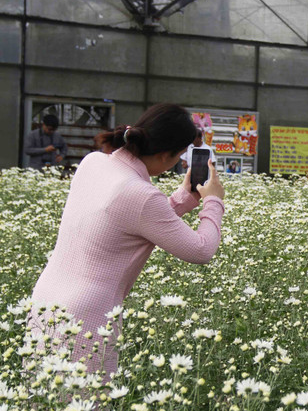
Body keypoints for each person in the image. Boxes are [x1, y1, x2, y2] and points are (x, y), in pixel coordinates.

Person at [27, 103, 225, 381]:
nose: (180, 163)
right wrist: (213, 200)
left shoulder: (93, 162)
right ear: (166, 154)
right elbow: (202, 249)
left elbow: (127, 218)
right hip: (87, 316)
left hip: (45, 302)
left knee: (41, 397)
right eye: (180, 156)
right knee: (86, 400)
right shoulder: (140, 195)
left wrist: (183, 198)